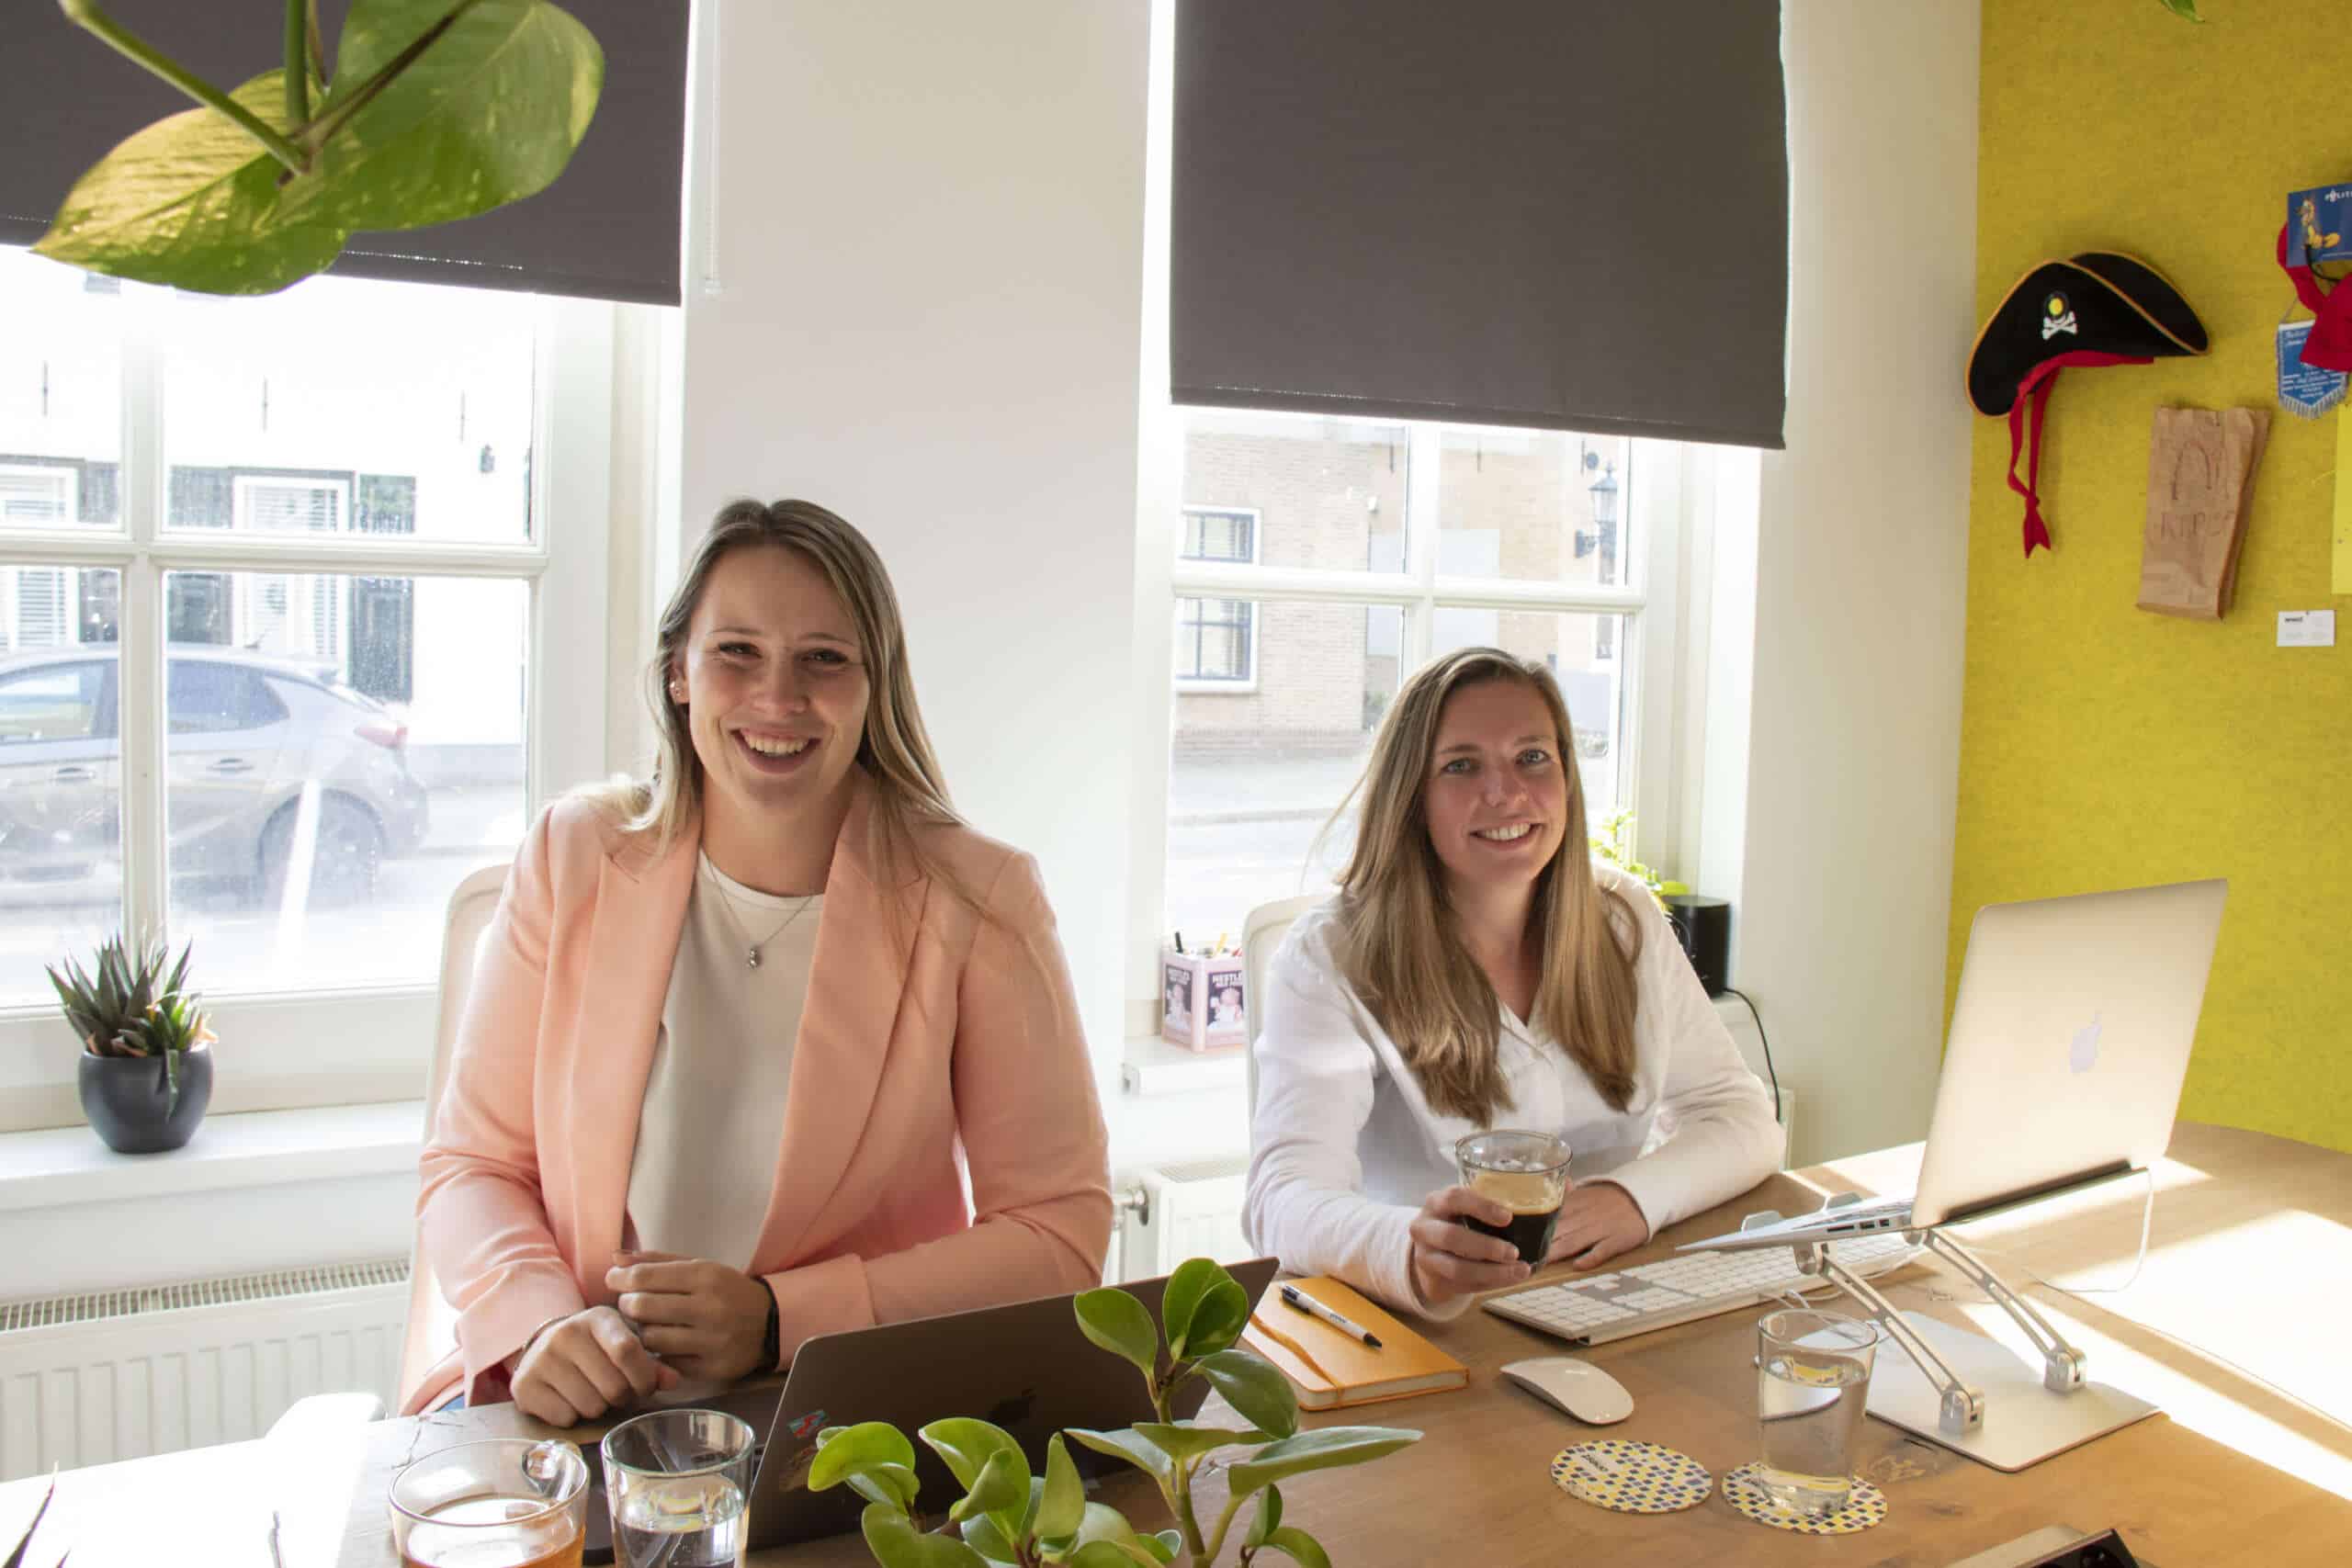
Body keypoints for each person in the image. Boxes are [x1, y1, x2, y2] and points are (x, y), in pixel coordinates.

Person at [404, 499, 1113, 1423]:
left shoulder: (980, 896)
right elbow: (472, 1165)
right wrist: (539, 1323)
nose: (778, 698)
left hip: (842, 1426)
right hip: (590, 1415)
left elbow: (1060, 1231)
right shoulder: (572, 853)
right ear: (679, 673)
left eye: (825, 659)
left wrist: (785, 1319)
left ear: (874, 684)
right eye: (737, 651)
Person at [1243, 648, 1779, 1316]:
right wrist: (1412, 1251)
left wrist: (1634, 1197)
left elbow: (1739, 1116)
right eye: (1461, 765)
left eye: (1532, 757)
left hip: (1601, 1303)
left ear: (1567, 778)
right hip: (1421, 1326)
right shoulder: (1329, 955)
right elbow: (1281, 1199)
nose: (1505, 793)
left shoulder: (1624, 920)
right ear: (1410, 796)